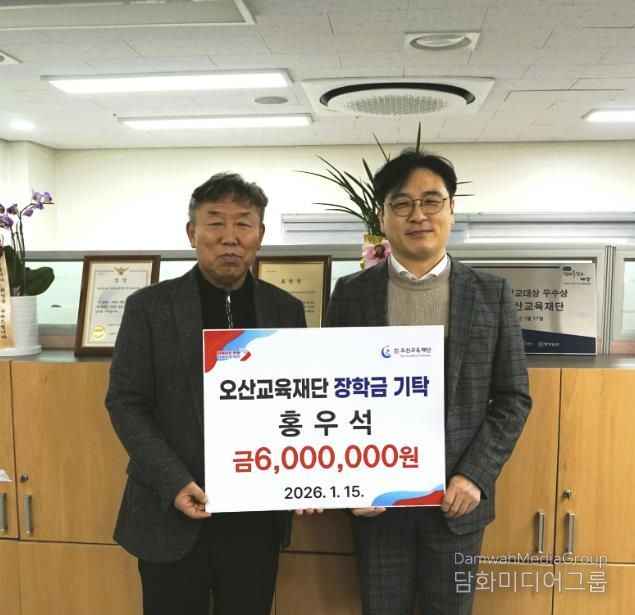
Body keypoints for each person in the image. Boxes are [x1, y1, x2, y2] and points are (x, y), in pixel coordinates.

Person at [326, 149, 532, 615]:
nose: (417, 215)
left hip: (458, 504)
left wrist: (474, 475)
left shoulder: (490, 294)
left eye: (431, 201)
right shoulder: (351, 294)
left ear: (452, 209)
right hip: (379, 504)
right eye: (401, 203)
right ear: (383, 215)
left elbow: (513, 398)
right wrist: (351, 481)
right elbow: (334, 393)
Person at [105, 172, 306, 615]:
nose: (229, 237)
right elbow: (125, 403)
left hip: (255, 519)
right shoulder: (149, 308)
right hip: (171, 508)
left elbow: (298, 404)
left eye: (243, 223)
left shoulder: (285, 310)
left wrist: (306, 480)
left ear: (260, 234)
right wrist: (174, 481)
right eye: (215, 223)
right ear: (192, 232)